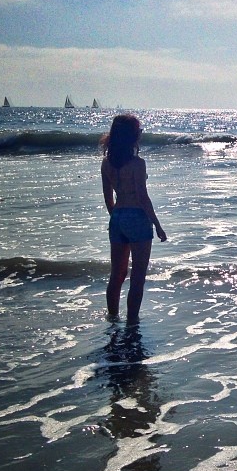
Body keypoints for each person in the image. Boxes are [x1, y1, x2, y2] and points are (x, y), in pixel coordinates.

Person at [100, 114, 167, 323]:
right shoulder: (138, 164)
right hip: (137, 217)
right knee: (137, 278)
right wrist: (157, 225)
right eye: (139, 131)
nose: (140, 134)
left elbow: (108, 198)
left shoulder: (106, 163)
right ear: (132, 137)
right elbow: (142, 197)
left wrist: (117, 218)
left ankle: (112, 318)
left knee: (117, 275)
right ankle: (132, 322)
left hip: (118, 217)